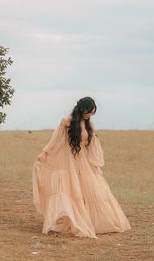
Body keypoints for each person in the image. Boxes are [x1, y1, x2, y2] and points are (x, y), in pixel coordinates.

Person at [32, 96, 131, 239]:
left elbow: (92, 145)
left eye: (92, 113)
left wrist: (94, 163)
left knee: (92, 191)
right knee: (70, 191)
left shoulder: (89, 125)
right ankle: (75, 220)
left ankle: (90, 221)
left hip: (83, 162)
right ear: (82, 109)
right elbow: (55, 141)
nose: (90, 115)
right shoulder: (66, 122)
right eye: (89, 112)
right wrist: (44, 154)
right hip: (67, 161)